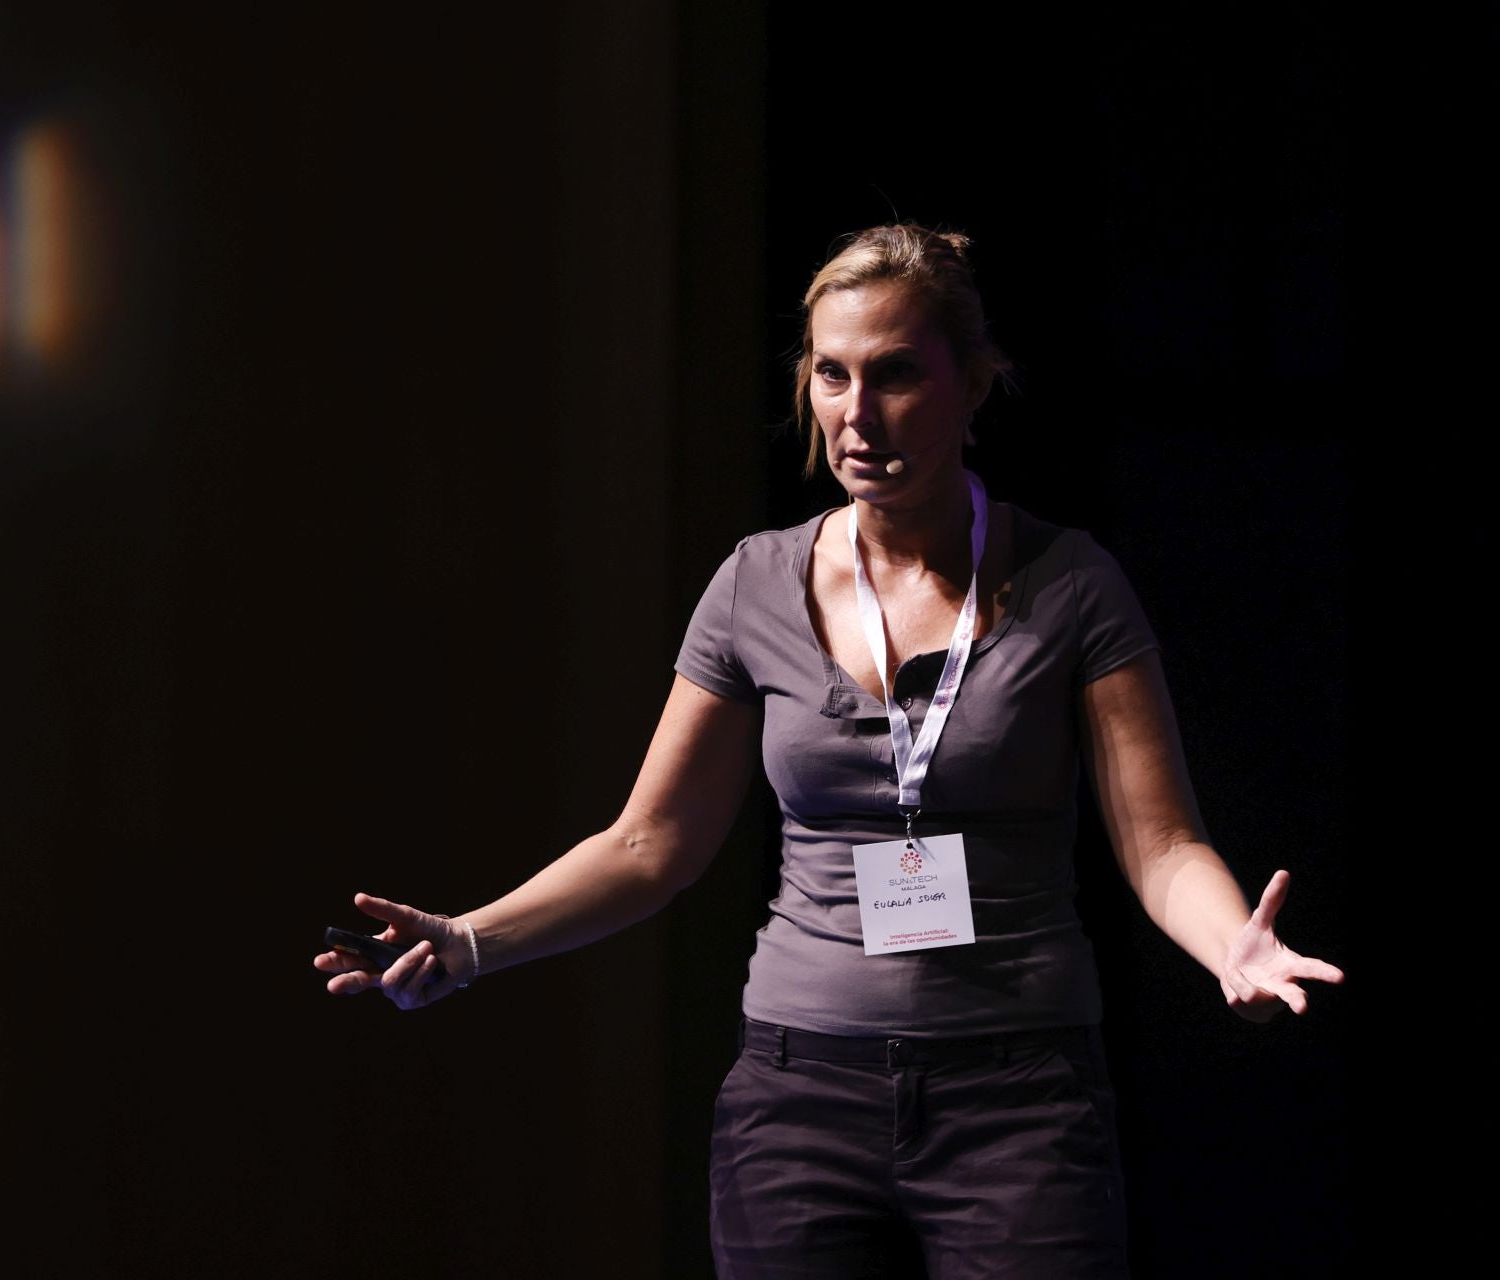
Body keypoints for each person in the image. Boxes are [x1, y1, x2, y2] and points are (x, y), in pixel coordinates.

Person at [312, 222, 1343, 1278]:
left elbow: (1162, 842)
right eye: (832, 374)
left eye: (897, 374)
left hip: (1019, 1097)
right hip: (799, 1096)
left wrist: (1231, 944)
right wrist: (473, 940)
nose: (858, 415)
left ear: (972, 385)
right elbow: (647, 842)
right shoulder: (754, 583)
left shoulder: (1072, 584)